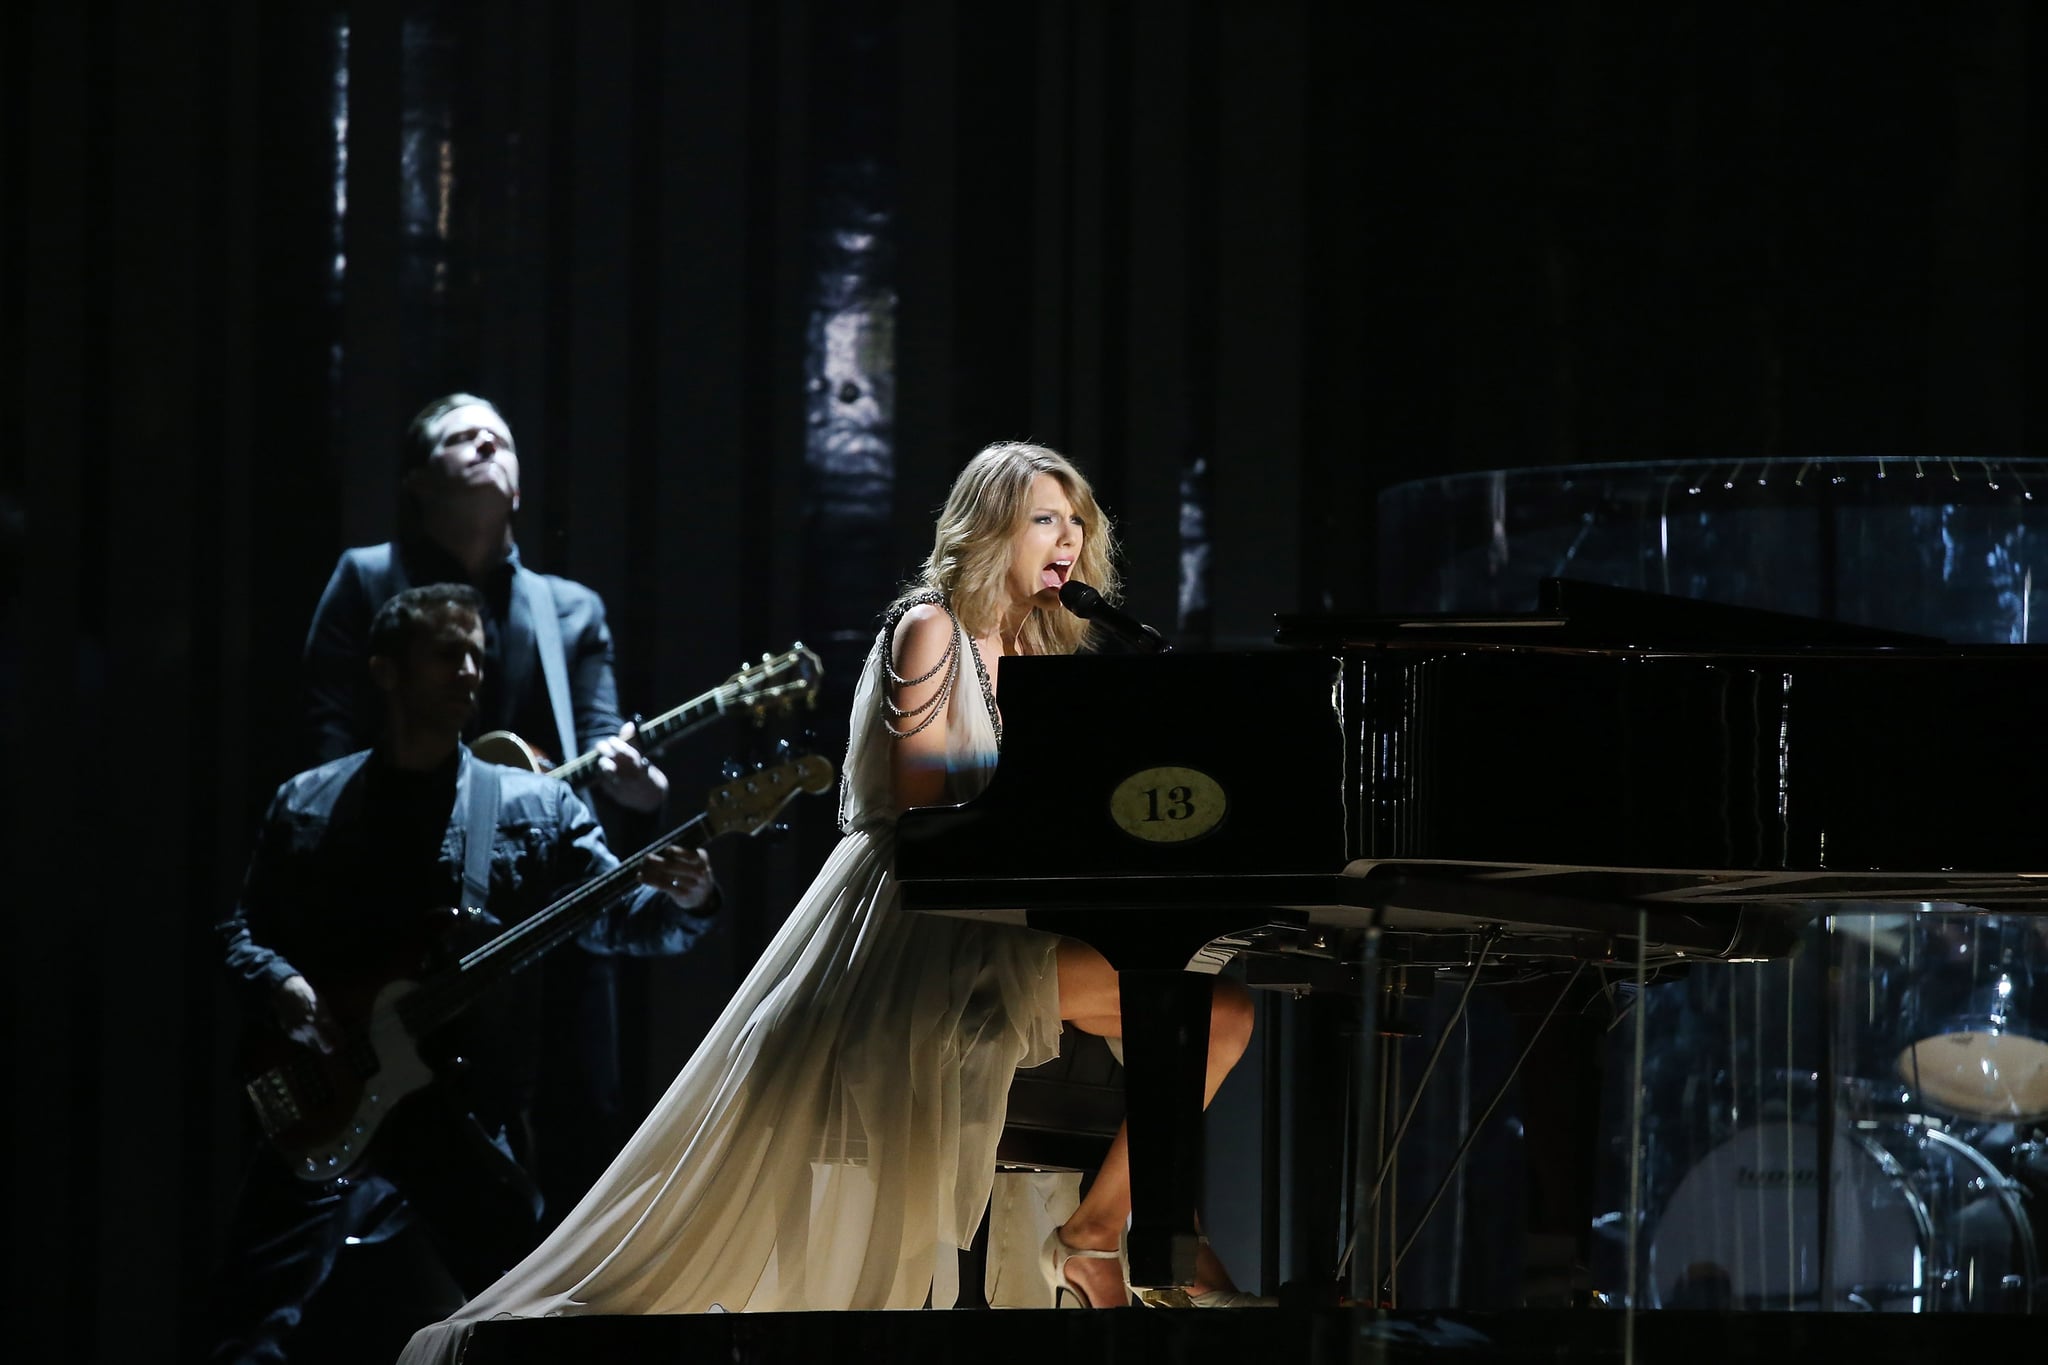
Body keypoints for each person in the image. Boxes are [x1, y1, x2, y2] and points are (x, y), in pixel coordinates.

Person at [397, 442, 1256, 1363]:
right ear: (991, 528)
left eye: (1077, 522)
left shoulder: (1047, 651)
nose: (1068, 539)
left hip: (1012, 921)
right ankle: (1111, 1237)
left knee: (1220, 1002)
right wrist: (1071, 777)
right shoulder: (931, 626)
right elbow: (926, 793)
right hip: (921, 933)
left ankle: (1109, 1227)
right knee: (1210, 1010)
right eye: (1045, 518)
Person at [211, 584, 719, 1364]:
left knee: (519, 1320)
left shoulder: (532, 805)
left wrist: (691, 899)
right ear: (386, 670)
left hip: (457, 1111)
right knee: (243, 1327)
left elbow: (619, 920)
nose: (472, 670)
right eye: (449, 652)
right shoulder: (309, 803)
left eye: (480, 653)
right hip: (323, 1088)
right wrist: (280, 982)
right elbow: (241, 928)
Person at [302, 393, 675, 1222]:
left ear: (518, 489)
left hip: (545, 931)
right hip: (403, 935)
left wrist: (638, 791)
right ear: (415, 480)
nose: (486, 443)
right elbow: (326, 758)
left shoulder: (567, 608)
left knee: (581, 1147)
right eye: (459, 435)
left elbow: (605, 752)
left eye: (500, 437)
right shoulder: (366, 581)